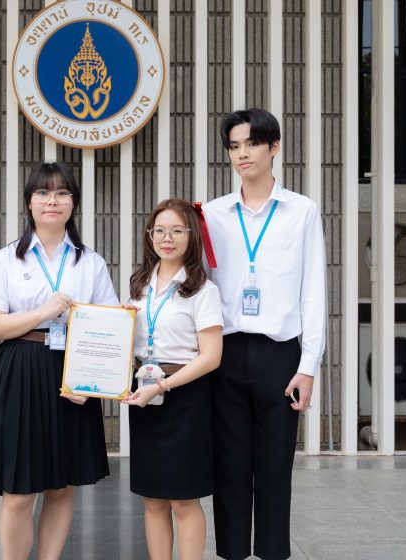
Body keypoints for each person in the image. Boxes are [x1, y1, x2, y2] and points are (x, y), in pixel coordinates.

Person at [201, 108, 327, 560]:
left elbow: (313, 292)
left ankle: (274, 553)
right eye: (233, 146)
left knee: (276, 466)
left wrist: (308, 366)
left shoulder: (301, 212)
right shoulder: (212, 214)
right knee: (229, 465)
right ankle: (232, 552)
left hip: (280, 353)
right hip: (225, 351)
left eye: (251, 144)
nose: (242, 154)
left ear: (273, 148)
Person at [0, 162, 119, 560]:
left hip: (73, 371)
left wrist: (92, 385)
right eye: (43, 193)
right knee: (18, 491)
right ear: (29, 202)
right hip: (20, 369)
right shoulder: (7, 259)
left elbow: (108, 326)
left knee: (61, 485)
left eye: (61, 193)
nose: (52, 201)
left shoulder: (89, 262)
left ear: (74, 203)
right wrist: (43, 312)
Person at [122, 198, 223, 560]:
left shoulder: (202, 290)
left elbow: (211, 357)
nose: (167, 238)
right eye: (159, 230)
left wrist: (161, 386)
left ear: (191, 235)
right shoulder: (138, 286)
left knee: (183, 500)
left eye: (177, 230)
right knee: (152, 499)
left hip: (184, 398)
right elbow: (125, 344)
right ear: (149, 236)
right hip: (145, 395)